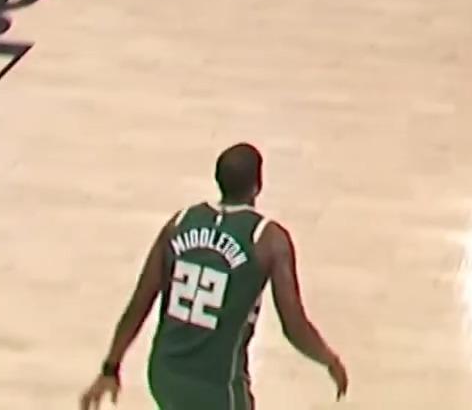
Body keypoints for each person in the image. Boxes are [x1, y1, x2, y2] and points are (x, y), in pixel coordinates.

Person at [77, 143, 349, 410]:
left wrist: (111, 366)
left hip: (164, 374)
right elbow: (294, 325)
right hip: (216, 383)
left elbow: (140, 301)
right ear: (258, 185)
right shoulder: (267, 239)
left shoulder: (180, 222)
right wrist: (329, 359)